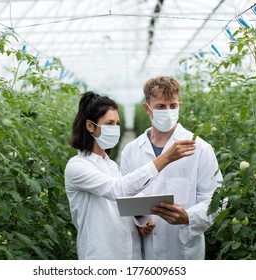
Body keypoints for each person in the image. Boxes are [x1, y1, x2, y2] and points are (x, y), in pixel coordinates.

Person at [64, 91, 196, 260]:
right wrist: (165, 158)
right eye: (109, 123)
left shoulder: (110, 165)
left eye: (117, 123)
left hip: (130, 255)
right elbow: (117, 190)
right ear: (90, 126)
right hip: (102, 256)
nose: (115, 129)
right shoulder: (77, 167)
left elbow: (121, 204)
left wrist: (141, 220)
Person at [120, 76, 223, 260]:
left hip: (184, 253)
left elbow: (217, 200)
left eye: (173, 106)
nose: (168, 111)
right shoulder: (131, 151)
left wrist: (188, 217)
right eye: (160, 106)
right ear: (147, 108)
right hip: (146, 253)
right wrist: (139, 222)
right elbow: (124, 198)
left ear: (179, 106)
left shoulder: (200, 148)